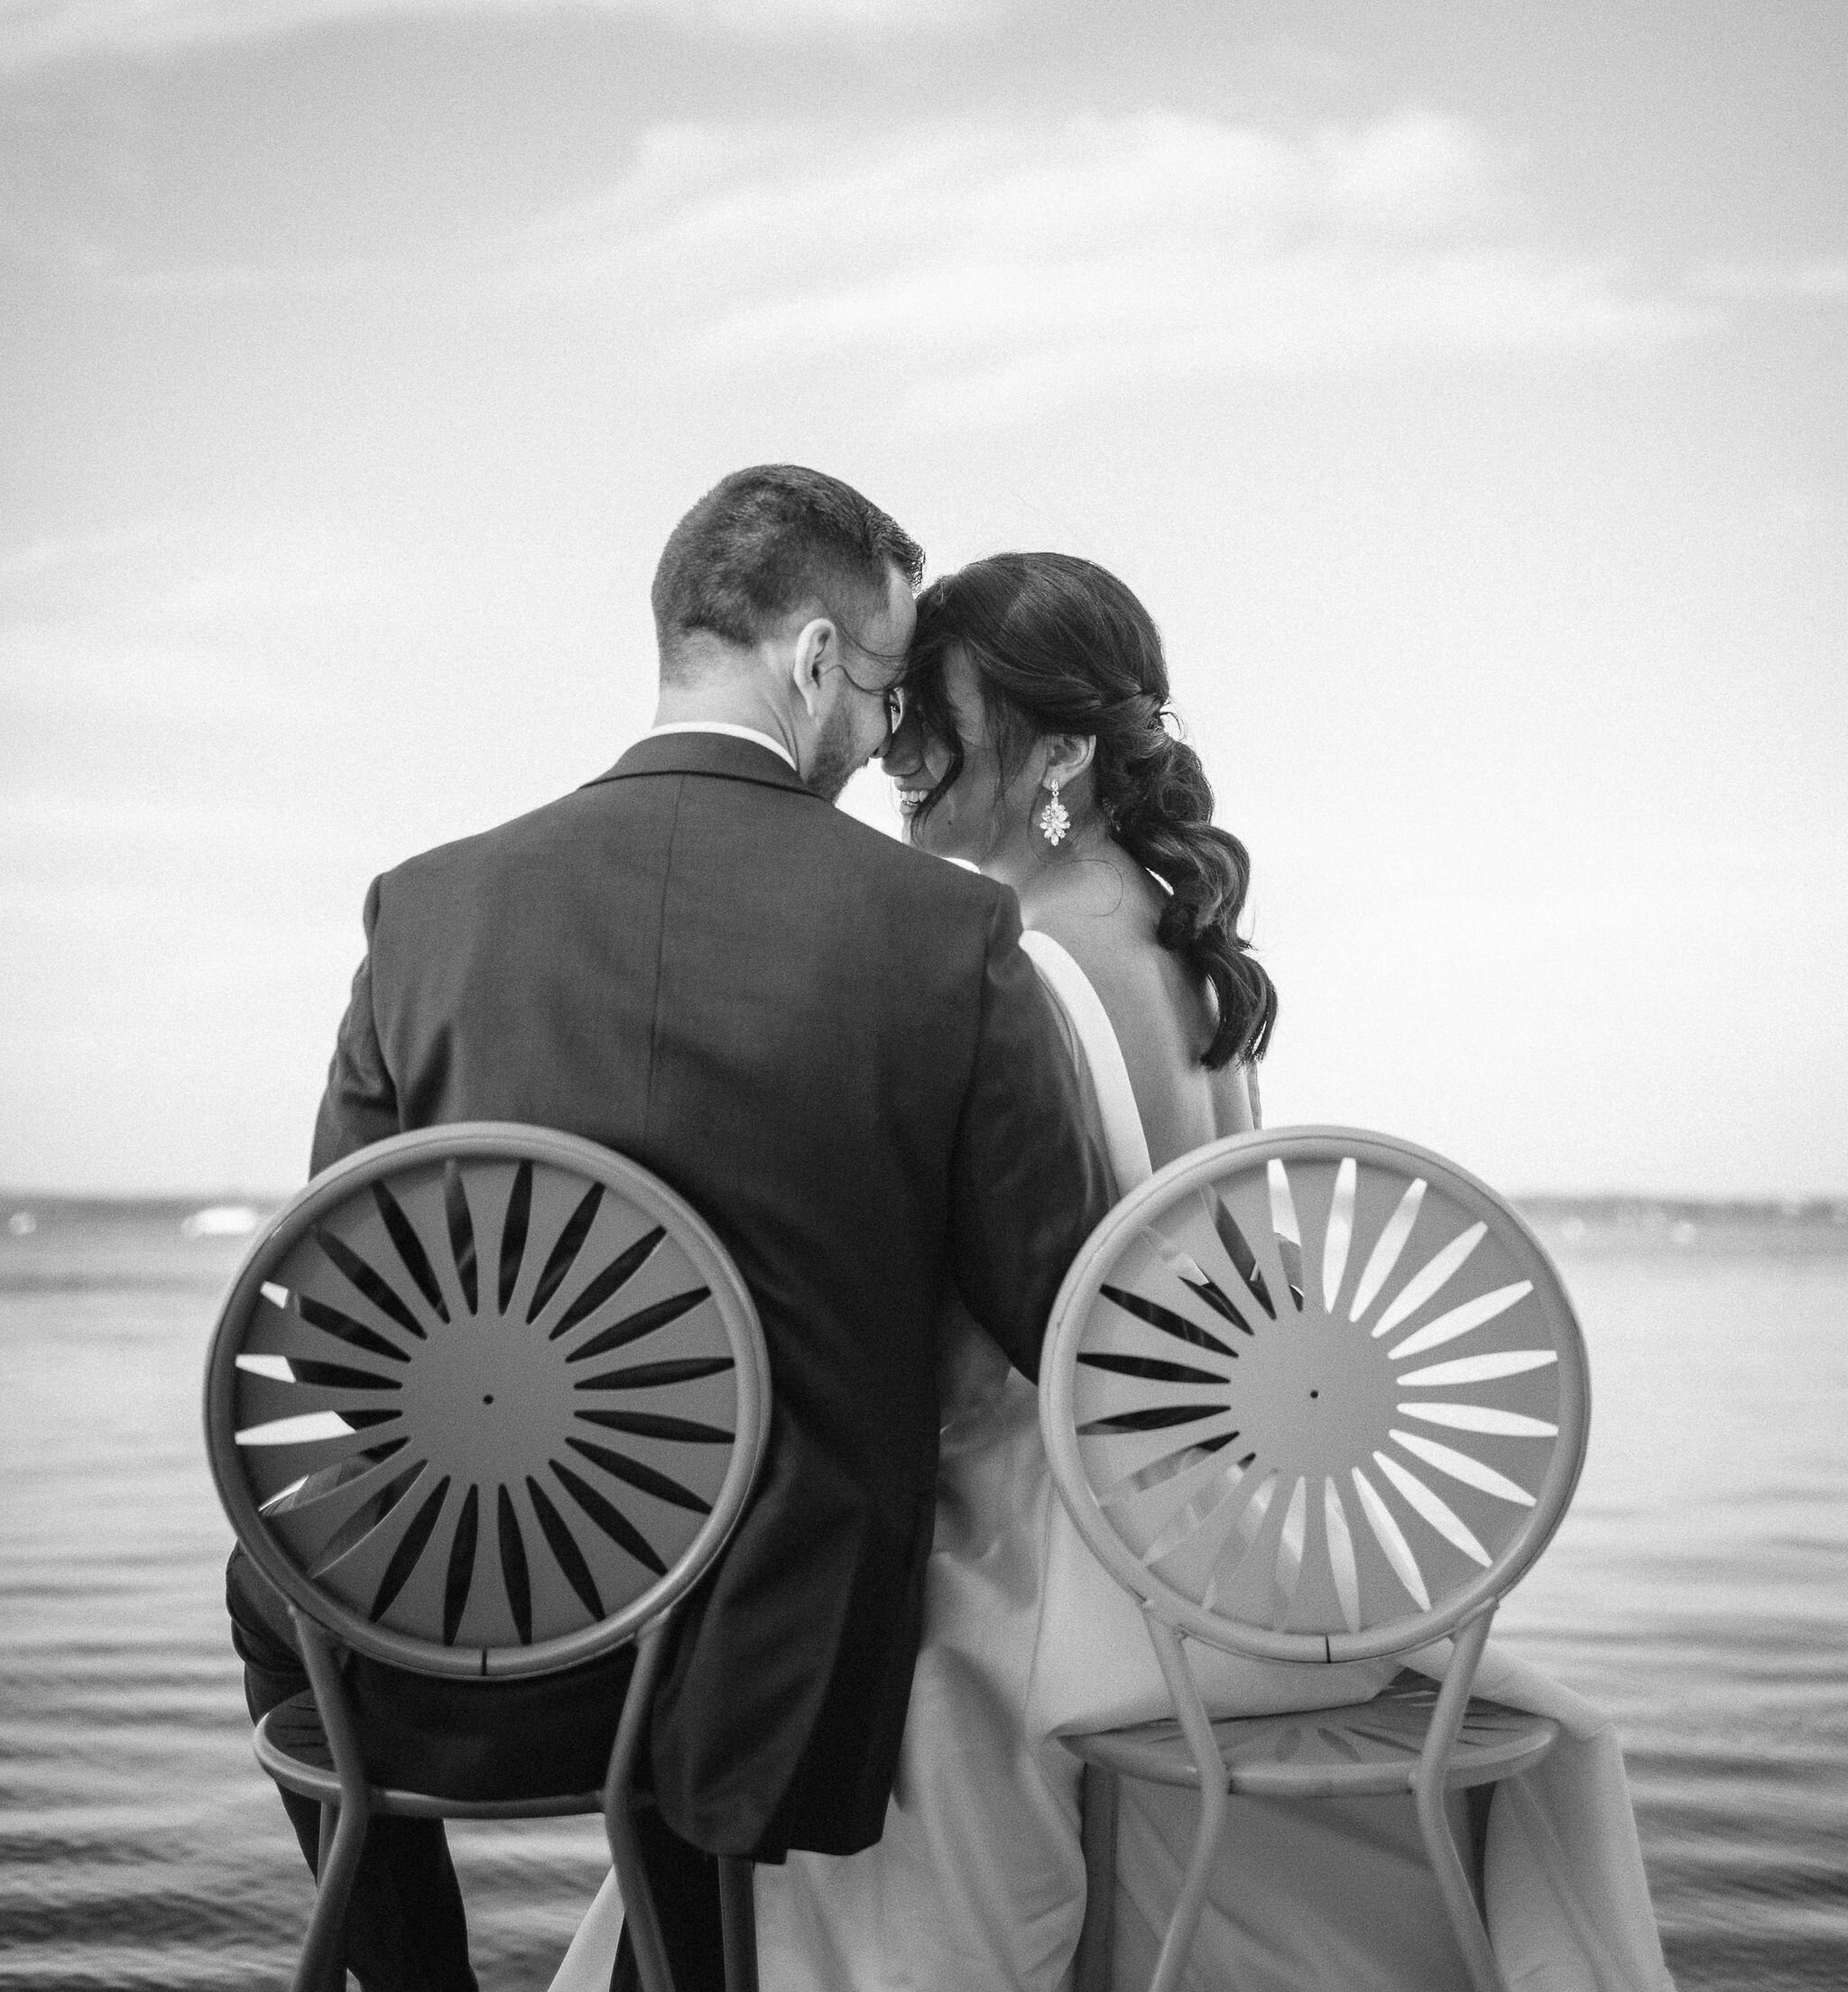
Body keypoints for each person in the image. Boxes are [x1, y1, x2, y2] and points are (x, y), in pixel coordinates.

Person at [225, 468, 1113, 1992]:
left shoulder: (427, 911)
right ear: (818, 661)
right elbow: (1061, 1313)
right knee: (776, 1543)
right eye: (887, 690)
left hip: (458, 1635)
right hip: (776, 1667)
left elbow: (337, 1333)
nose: (885, 738)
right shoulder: (947, 934)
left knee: (270, 1595)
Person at [742, 552, 1669, 1992]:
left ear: (1055, 750)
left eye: (935, 710)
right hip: (1248, 1530)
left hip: (1091, 1539)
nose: (898, 751)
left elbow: (1002, 1327)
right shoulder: (1183, 944)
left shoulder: (1018, 958)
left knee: (803, 1671)